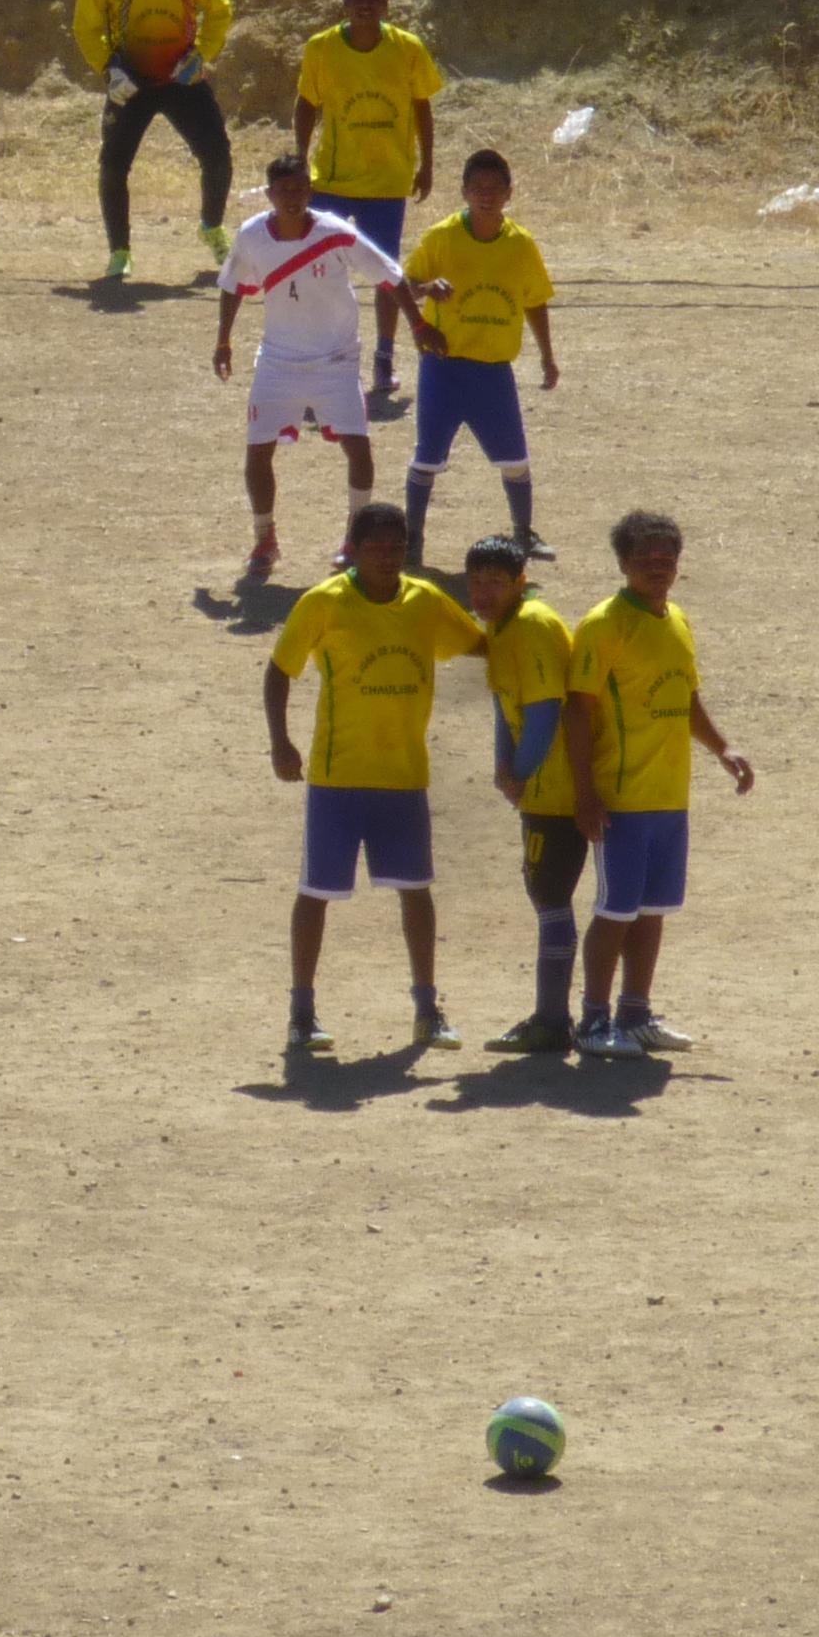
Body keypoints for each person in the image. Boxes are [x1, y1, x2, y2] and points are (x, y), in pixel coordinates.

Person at [265, 498, 486, 1056]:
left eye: (397, 548)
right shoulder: (324, 603)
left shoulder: (426, 603)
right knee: (316, 892)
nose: (388, 558)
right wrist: (281, 742)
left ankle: (426, 1010)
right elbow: (278, 671)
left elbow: (483, 646)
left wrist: (531, 626)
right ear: (354, 551)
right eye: (375, 549)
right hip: (338, 779)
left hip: (404, 777)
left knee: (417, 892)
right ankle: (301, 1013)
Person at [566, 507, 753, 1059]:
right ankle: (594, 1021)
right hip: (620, 797)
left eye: (666, 559)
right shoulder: (603, 625)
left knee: (653, 910)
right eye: (644, 559)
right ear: (622, 563)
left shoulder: (678, 620)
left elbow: (685, 698)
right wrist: (585, 792)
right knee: (615, 910)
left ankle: (637, 1014)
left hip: (670, 797)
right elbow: (577, 711)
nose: (657, 567)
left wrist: (723, 748)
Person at [212, 152, 399, 591]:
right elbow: (233, 287)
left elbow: (388, 274)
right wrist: (223, 340)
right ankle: (264, 539)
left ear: (309, 190)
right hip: (277, 362)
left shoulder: (336, 232)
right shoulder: (252, 236)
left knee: (358, 447)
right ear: (270, 194)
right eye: (284, 190)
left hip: (335, 360)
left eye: (300, 189)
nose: (293, 197)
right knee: (257, 451)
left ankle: (355, 537)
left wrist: (420, 318)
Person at [459, 530, 595, 1058]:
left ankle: (551, 1022)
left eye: (495, 582)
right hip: (540, 788)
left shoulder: (533, 627)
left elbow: (544, 711)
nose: (483, 594)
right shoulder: (503, 626)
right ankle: (554, 1016)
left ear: (521, 581)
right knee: (546, 897)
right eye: (475, 583)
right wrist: (502, 766)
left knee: (551, 900)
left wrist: (518, 774)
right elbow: (503, 703)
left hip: (557, 791)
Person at [293, 0, 444, 409]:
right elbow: (306, 103)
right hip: (332, 180)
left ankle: (383, 358)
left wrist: (428, 164)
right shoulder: (322, 48)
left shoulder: (407, 48)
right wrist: (300, 161)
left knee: (386, 274)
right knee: (319, 271)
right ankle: (319, 362)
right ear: (344, 5)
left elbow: (423, 106)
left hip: (387, 180)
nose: (365, 4)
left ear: (386, 6)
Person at [400, 146, 558, 568]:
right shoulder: (441, 237)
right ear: (464, 192)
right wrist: (427, 291)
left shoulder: (521, 245)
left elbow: (535, 302)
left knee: (515, 460)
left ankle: (523, 533)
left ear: (509, 193)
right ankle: (412, 539)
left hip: (493, 372)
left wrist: (547, 356)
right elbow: (404, 284)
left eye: (495, 188)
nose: (486, 196)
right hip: (444, 368)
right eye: (477, 188)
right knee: (427, 457)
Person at [72, 0, 236, 285]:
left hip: (182, 75)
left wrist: (201, 56)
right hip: (131, 78)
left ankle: (212, 227)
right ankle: (119, 253)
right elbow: (86, 27)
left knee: (217, 156)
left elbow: (219, 12)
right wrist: (108, 69)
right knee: (113, 165)